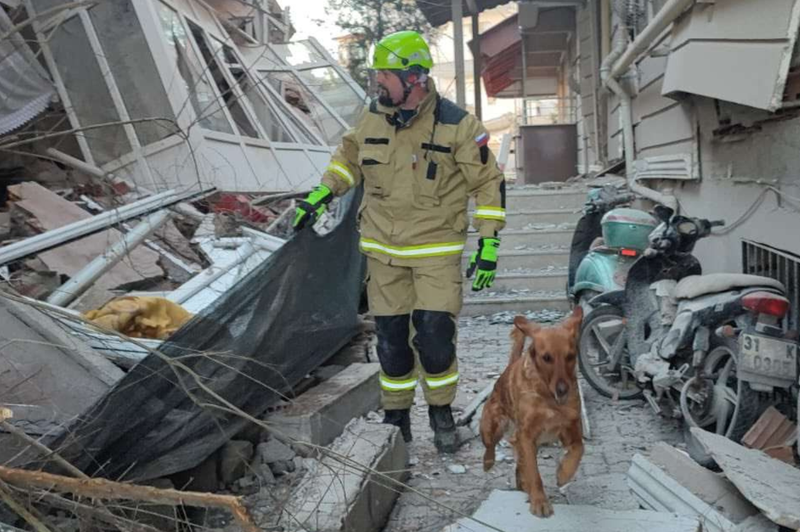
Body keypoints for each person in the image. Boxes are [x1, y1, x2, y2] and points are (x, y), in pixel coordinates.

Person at [293, 30, 506, 453]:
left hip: (435, 253)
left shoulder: (458, 125)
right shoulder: (372, 118)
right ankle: (397, 421)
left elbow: (488, 184)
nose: (378, 83)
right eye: (378, 75)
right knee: (390, 339)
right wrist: (321, 195)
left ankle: (442, 417)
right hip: (384, 252)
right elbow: (347, 163)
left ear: (414, 78)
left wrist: (488, 246)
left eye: (385, 75)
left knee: (434, 337)